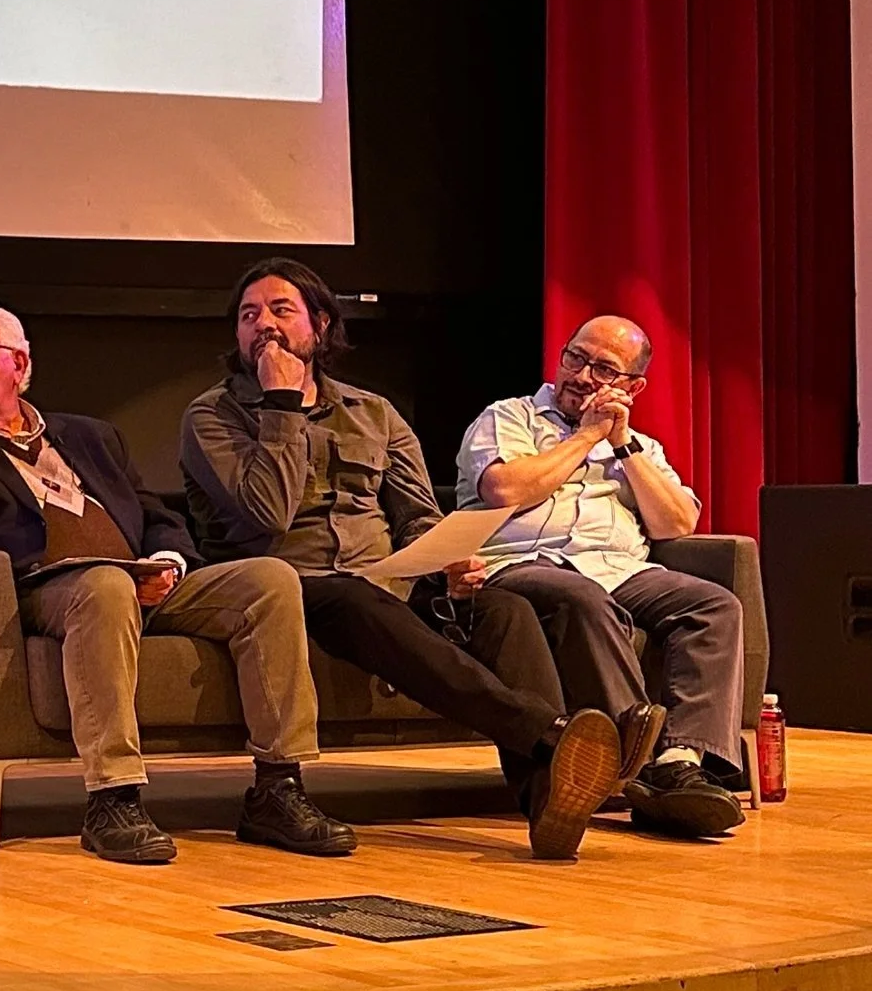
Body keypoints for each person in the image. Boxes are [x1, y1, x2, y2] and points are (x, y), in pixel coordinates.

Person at [180, 257, 626, 861]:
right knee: (349, 594)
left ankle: (549, 805)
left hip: (386, 581)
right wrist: (281, 401)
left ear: (319, 324)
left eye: (281, 310)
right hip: (288, 585)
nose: (264, 325)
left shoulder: (373, 412)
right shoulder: (213, 415)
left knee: (503, 609)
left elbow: (415, 512)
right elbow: (267, 514)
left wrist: (447, 557)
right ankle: (552, 732)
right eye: (248, 315)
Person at [0, 303, 353, 865]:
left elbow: (155, 515)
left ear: (19, 363)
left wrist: (167, 562)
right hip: (50, 590)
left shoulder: (90, 436)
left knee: (270, 580)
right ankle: (113, 797)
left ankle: (278, 788)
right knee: (106, 586)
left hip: (139, 581)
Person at [455, 316, 747, 839]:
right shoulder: (509, 418)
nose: (583, 376)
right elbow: (505, 489)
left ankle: (679, 759)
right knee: (581, 597)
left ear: (632, 387)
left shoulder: (639, 447)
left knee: (715, 605)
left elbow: (676, 522)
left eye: (604, 369)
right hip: (520, 566)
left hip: (620, 570)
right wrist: (587, 435)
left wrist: (624, 446)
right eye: (575, 358)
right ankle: (644, 764)